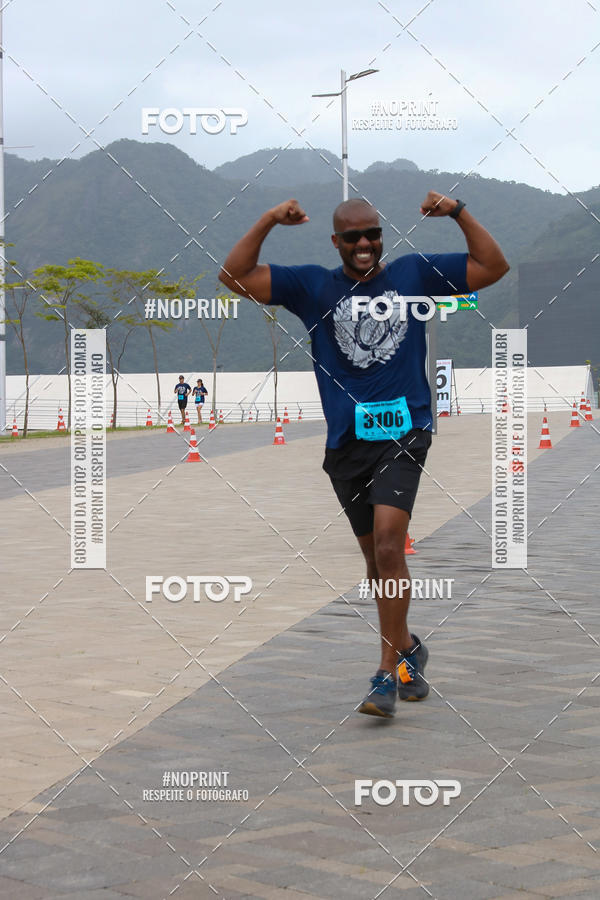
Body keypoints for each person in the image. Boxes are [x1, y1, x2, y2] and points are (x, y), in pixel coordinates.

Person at [219, 193, 509, 718]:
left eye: (371, 234)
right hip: (347, 445)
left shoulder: (414, 275)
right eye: (352, 237)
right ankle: (409, 651)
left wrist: (461, 211)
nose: (364, 244)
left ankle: (384, 674)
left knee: (390, 545)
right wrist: (267, 219)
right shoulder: (313, 285)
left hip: (405, 433)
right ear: (336, 242)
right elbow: (234, 276)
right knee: (376, 562)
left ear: (381, 236)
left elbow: (493, 266)